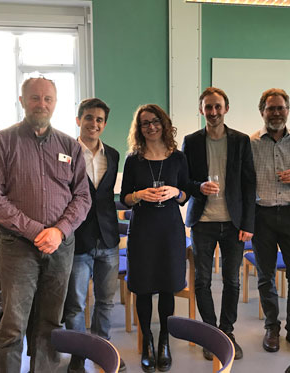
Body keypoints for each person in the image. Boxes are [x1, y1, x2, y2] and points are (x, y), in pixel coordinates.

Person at [0, 77, 91, 372]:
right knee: (13, 325)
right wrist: (35, 231)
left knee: (50, 324)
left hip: (60, 246)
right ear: (21, 101)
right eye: (34, 98)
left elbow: (82, 197)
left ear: (55, 103)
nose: (41, 104)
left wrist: (58, 231)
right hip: (17, 246)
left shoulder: (71, 145)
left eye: (48, 99)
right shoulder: (1, 142)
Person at [182, 87, 255, 361]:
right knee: (202, 280)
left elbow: (249, 184)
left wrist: (248, 223)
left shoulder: (241, 140)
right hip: (203, 222)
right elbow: (184, 181)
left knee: (232, 280)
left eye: (217, 106)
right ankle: (209, 331)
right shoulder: (191, 141)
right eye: (208, 107)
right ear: (201, 110)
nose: (213, 112)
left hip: (234, 224)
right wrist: (198, 186)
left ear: (226, 108)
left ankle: (227, 331)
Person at [120, 104, 188, 373]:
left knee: (168, 285)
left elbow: (186, 195)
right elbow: (124, 197)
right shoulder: (132, 159)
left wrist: (175, 191)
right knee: (144, 286)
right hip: (143, 230)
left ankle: (164, 342)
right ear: (139, 128)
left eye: (155, 121)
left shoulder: (178, 158)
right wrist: (138, 195)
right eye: (145, 123)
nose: (150, 127)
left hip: (170, 229)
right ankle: (147, 339)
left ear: (164, 123)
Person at [250, 88, 290, 357]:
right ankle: (271, 327)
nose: (276, 113)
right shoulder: (250, 143)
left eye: (280, 108)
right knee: (266, 277)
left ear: (288, 110)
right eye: (270, 108)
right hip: (261, 215)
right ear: (262, 111)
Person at [63, 98, 125, 372]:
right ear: (78, 120)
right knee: (75, 304)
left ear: (105, 124)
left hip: (108, 238)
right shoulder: (64, 152)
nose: (94, 124)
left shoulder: (112, 154)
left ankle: (103, 349)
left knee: (105, 301)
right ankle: (79, 355)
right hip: (77, 240)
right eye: (89, 118)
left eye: (100, 119)